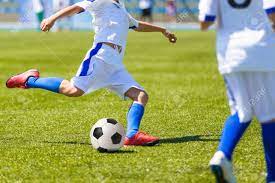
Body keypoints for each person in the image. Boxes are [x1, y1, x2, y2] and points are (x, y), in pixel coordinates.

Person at [6, 0, 177, 146]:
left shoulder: (121, 8)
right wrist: (52, 18)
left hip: (115, 65)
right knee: (73, 90)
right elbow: (77, 7)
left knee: (141, 96)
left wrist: (163, 30)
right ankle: (29, 80)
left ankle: (132, 135)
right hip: (100, 55)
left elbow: (138, 26)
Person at [199, 0, 275, 182]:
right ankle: (272, 177)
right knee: (269, 116)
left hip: (231, 54)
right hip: (263, 52)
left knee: (242, 111)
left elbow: (205, 22)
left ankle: (222, 154)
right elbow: (272, 11)